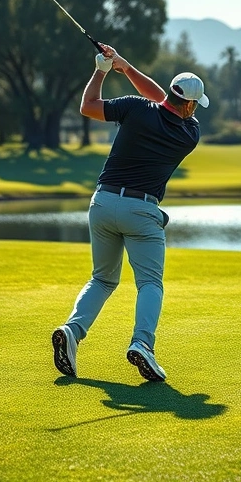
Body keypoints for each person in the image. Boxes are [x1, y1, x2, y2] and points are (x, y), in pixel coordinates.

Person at [52, 44, 209, 382]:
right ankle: (142, 345)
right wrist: (125, 67)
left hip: (103, 204)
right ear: (191, 104)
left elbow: (88, 107)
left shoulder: (135, 108)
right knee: (150, 282)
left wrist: (104, 70)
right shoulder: (189, 132)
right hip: (142, 211)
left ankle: (72, 329)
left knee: (103, 278)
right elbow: (166, 103)